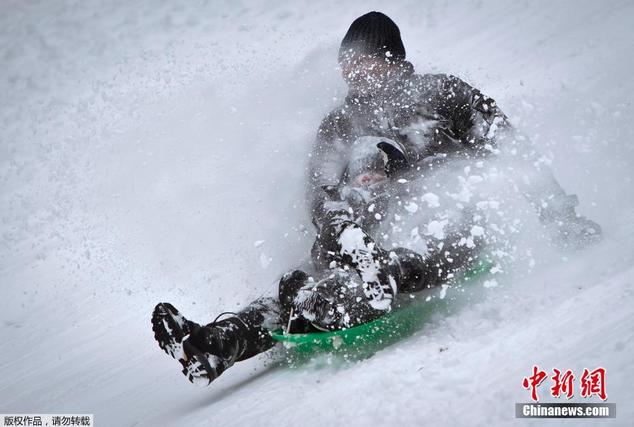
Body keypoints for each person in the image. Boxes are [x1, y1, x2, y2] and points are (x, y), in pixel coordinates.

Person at [151, 11, 601, 387]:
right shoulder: (339, 123)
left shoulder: (444, 94)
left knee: (427, 230)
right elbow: (321, 193)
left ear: (391, 60)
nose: (353, 73)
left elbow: (510, 150)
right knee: (297, 283)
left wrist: (559, 214)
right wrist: (343, 229)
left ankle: (372, 281)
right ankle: (214, 343)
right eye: (348, 65)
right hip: (359, 237)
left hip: (444, 224)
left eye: (364, 62)